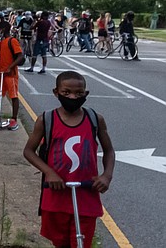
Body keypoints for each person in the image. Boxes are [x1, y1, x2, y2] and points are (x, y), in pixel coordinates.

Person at [23, 70, 115, 248]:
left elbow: (109, 151)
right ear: (56, 93)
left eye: (79, 93)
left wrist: (106, 176)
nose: (73, 97)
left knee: (81, 243)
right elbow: (28, 151)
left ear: (85, 94)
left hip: (86, 196)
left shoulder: (95, 119)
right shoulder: (46, 120)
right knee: (60, 243)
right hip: (56, 196)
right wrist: (49, 172)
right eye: (66, 93)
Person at [0, 22, 23, 131]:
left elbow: (20, 56)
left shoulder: (12, 41)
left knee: (13, 96)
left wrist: (10, 67)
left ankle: (14, 119)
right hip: (0, 73)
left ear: (3, 29)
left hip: (10, 74)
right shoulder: (2, 42)